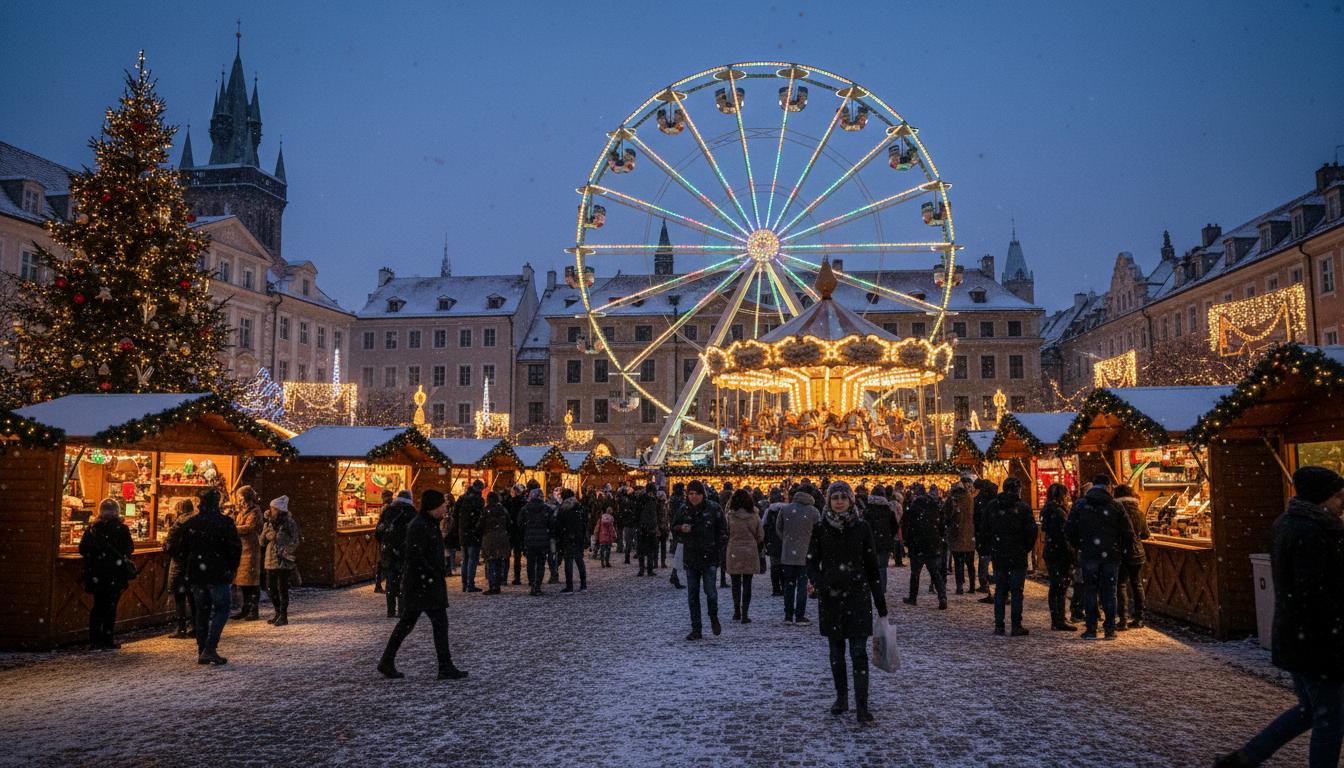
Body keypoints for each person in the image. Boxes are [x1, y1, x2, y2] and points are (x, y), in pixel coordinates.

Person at [1216, 465, 1344, 768]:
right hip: (1318, 640)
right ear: (1321, 498)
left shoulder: (1289, 523)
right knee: (1330, 719)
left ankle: (1248, 756)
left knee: (1311, 711)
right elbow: (1313, 592)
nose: (1342, 503)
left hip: (1295, 635)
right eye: (1339, 497)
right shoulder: (1313, 531)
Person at [807, 480, 887, 725]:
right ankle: (841, 698)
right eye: (835, 497)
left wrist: (880, 601)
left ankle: (862, 705)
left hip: (857, 595)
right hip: (831, 598)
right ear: (829, 501)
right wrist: (821, 583)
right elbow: (811, 561)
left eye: (843, 497)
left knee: (859, 652)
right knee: (836, 652)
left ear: (851, 500)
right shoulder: (821, 528)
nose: (839, 501)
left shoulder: (862, 528)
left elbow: (872, 567)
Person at [378, 489, 467, 681]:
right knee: (431, 624)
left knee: (413, 624)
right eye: (442, 504)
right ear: (433, 507)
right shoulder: (420, 525)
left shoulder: (428, 524)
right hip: (423, 585)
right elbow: (415, 556)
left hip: (424, 584)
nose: (445, 507)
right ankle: (444, 666)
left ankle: (388, 660)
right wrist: (432, 574)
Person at [1065, 475, 1135, 640]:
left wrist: (1081, 545)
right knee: (1109, 592)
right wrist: (1120, 549)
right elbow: (1128, 533)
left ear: (1093, 486)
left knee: (1090, 590)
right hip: (1111, 555)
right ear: (1109, 486)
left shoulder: (1080, 505)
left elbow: (1069, 530)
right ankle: (1109, 629)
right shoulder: (1116, 506)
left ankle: (1091, 628)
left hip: (1089, 554)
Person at [179, 488, 242, 665]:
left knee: (202, 611)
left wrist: (189, 567)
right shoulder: (225, 523)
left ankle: (203, 649)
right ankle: (210, 647)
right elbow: (234, 548)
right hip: (218, 573)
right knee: (222, 608)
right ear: (217, 503)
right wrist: (231, 568)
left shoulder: (192, 523)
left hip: (198, 574)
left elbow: (180, 548)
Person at [672, 480, 728, 640]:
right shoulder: (683, 510)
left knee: (710, 592)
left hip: (709, 557)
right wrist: (680, 529)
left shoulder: (713, 508)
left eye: (697, 493)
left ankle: (713, 615)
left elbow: (723, 530)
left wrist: (718, 548)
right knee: (693, 594)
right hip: (691, 557)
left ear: (703, 494)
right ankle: (696, 628)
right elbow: (673, 526)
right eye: (690, 493)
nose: (694, 497)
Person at [985, 477, 1038, 636]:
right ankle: (1016, 625)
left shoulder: (993, 506)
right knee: (1016, 592)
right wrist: (1024, 548)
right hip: (1017, 555)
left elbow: (984, 528)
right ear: (1018, 489)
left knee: (1000, 590)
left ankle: (999, 625)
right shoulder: (1023, 508)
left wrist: (993, 546)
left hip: (999, 554)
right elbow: (1031, 532)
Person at [79, 498, 134, 649]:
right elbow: (129, 549)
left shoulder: (93, 529)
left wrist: (96, 556)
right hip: (114, 574)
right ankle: (107, 639)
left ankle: (95, 640)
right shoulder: (121, 529)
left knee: (97, 607)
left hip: (97, 574)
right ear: (117, 511)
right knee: (110, 607)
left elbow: (83, 549)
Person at [776, 484, 822, 625]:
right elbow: (819, 533)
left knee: (789, 585)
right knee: (802, 586)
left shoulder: (785, 509)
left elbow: (779, 528)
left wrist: (786, 540)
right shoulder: (813, 512)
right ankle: (800, 616)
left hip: (788, 553)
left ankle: (788, 616)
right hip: (805, 554)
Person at [901, 483, 947, 609]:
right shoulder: (935, 506)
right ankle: (942, 596)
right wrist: (940, 537)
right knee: (935, 572)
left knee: (915, 572)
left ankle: (913, 597)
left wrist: (907, 541)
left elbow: (907, 525)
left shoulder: (914, 506)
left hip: (918, 544)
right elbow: (942, 524)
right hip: (932, 543)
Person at [1039, 483, 1077, 632]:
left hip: (1052, 552)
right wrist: (1072, 555)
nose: (1068, 498)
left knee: (1056, 586)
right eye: (1066, 495)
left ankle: (1057, 618)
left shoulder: (1048, 509)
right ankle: (1059, 619)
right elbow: (1064, 537)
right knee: (1060, 587)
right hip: (1059, 554)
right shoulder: (1059, 513)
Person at [1112, 484, 1149, 630]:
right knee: (1137, 584)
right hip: (1137, 553)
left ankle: (1123, 619)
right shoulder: (1139, 512)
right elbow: (1146, 534)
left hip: (1120, 553)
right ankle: (1139, 617)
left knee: (1120, 585)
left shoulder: (1115, 511)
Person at [375, 490, 417, 618]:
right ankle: (402, 610)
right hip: (405, 552)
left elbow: (378, 533)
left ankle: (391, 610)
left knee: (391, 581)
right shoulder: (412, 513)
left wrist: (386, 542)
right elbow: (416, 534)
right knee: (403, 581)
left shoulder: (388, 511)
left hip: (388, 552)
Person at [725, 489, 764, 623]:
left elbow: (726, 532)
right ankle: (745, 614)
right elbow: (760, 535)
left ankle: (736, 611)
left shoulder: (730, 516)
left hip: (734, 550)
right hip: (750, 550)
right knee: (747, 583)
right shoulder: (754, 516)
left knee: (735, 583)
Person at [261, 496, 301, 626]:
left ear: (279, 509)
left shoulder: (289, 522)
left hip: (283, 560)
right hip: (270, 559)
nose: (271, 510)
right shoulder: (268, 523)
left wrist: (286, 550)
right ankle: (277, 612)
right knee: (270, 588)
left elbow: (295, 540)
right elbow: (261, 542)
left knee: (282, 588)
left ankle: (283, 615)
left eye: (273, 508)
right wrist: (267, 535)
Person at [229, 486, 264, 621]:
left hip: (250, 550)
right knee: (242, 583)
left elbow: (250, 527)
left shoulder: (255, 511)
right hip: (241, 549)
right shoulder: (242, 511)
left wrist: (233, 528)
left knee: (252, 583)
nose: (240, 501)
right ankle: (245, 609)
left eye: (241, 498)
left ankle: (253, 610)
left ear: (248, 498)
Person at [164, 499, 196, 639]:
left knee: (180, 597)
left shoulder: (178, 524)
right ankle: (195, 626)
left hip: (179, 564)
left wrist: (166, 546)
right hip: (194, 564)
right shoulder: (197, 521)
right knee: (193, 597)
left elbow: (169, 545)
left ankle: (181, 627)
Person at [862, 485, 898, 597]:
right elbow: (895, 527)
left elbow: (863, 526)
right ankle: (881, 590)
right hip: (884, 543)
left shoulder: (867, 510)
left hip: (870, 542)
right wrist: (889, 536)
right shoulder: (888, 511)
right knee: (882, 568)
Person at [944, 475, 977, 595]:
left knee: (958, 562)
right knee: (970, 562)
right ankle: (972, 586)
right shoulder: (970, 498)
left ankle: (960, 587)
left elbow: (946, 515)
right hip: (969, 534)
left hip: (956, 534)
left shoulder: (952, 499)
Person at [520, 489, 553, 596]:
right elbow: (552, 524)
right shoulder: (546, 509)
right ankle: (537, 585)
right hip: (543, 539)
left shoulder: (525, 509)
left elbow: (519, 523)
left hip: (529, 539)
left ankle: (532, 583)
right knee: (540, 563)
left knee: (530, 562)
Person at [555, 489, 589, 592]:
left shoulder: (563, 508)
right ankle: (583, 585)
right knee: (579, 560)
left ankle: (569, 586)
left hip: (567, 536)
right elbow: (585, 522)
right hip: (578, 536)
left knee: (568, 561)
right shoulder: (579, 506)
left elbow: (558, 524)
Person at [456, 481, 485, 593]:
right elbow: (481, 517)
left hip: (463, 532)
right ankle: (470, 584)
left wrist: (460, 527)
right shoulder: (479, 500)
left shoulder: (462, 498)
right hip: (474, 533)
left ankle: (464, 584)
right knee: (472, 559)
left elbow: (455, 514)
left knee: (465, 559)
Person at [480, 491, 512, 594]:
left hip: (489, 538)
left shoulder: (486, 510)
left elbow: (480, 524)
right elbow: (509, 523)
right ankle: (497, 585)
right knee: (498, 562)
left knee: (491, 562)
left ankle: (492, 585)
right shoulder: (503, 510)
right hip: (502, 537)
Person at [972, 480, 998, 601]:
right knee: (996, 563)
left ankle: (985, 585)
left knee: (984, 561)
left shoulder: (980, 500)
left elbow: (977, 518)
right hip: (995, 537)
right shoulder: (996, 501)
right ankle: (999, 589)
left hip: (984, 536)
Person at [762, 487, 787, 596]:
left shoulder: (769, 511)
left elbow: (764, 526)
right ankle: (785, 586)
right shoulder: (787, 510)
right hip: (785, 541)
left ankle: (776, 588)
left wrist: (766, 541)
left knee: (775, 566)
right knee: (784, 566)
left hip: (773, 541)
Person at [635, 484, 661, 577]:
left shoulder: (643, 500)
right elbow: (652, 516)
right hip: (647, 528)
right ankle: (646, 570)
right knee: (647, 550)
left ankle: (644, 570)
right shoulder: (648, 500)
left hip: (645, 528)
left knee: (645, 551)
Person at [666, 483, 687, 589]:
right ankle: (674, 575)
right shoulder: (678, 500)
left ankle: (674, 575)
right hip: (679, 528)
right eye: (682, 489)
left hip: (677, 528)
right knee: (679, 553)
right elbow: (679, 514)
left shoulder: (674, 499)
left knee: (679, 552)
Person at [374, 489, 394, 593]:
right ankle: (381, 584)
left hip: (383, 537)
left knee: (382, 561)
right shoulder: (388, 508)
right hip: (386, 538)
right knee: (384, 562)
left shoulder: (385, 507)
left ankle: (379, 584)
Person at [506, 484, 527, 585]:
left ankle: (504, 578)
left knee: (506, 556)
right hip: (519, 532)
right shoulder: (524, 503)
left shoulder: (509, 502)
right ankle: (517, 577)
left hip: (510, 532)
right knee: (517, 556)